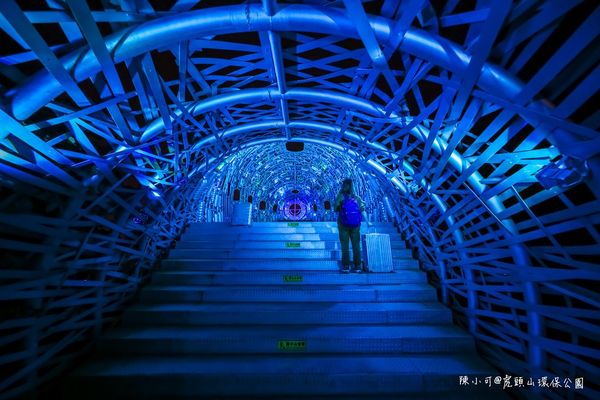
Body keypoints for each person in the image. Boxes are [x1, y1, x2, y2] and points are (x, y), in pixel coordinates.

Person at [334, 178, 372, 273]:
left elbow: (335, 208)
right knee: (356, 245)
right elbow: (362, 210)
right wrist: (368, 222)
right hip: (355, 225)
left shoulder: (341, 196)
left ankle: (346, 266)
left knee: (345, 245)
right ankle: (358, 265)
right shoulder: (357, 198)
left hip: (343, 224)